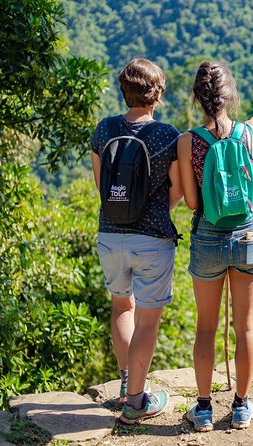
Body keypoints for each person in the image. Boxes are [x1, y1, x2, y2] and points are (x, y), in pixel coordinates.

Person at [177, 61, 253, 432]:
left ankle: (203, 409)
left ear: (197, 98)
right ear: (229, 96)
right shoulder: (248, 135)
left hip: (207, 236)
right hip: (248, 234)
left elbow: (190, 202)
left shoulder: (188, 142)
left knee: (206, 329)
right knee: (246, 328)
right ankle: (240, 407)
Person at [91, 58, 182, 424]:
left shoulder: (105, 129)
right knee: (147, 321)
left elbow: (101, 185)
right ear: (157, 94)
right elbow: (175, 190)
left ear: (123, 90)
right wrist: (153, 207)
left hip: (110, 235)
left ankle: (129, 382)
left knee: (121, 308)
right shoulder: (167, 135)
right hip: (153, 237)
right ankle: (135, 403)